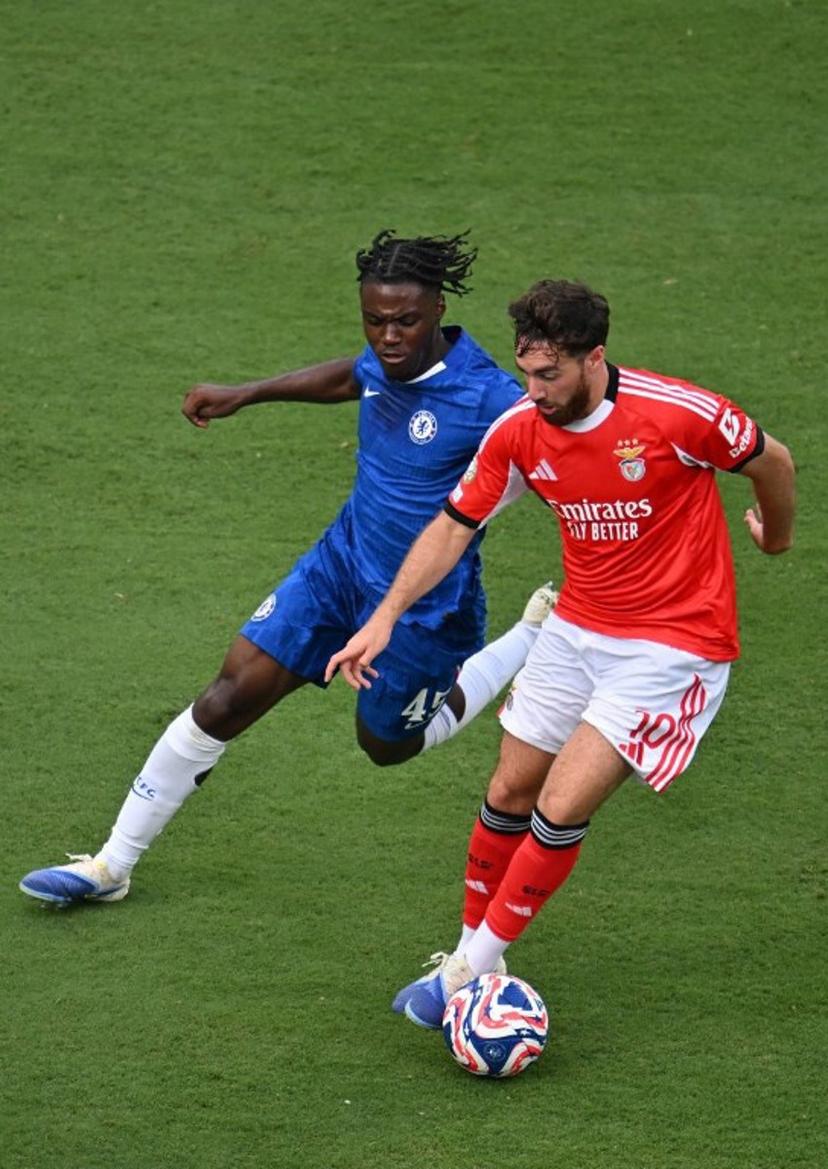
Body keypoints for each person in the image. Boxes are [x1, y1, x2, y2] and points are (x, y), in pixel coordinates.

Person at [19, 231, 558, 907]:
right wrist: (246, 393)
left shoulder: (490, 397)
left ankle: (526, 639)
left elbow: (559, 468)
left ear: (438, 308)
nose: (388, 336)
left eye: (405, 321)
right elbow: (352, 373)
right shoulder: (387, 360)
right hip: (339, 566)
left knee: (386, 744)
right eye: (375, 320)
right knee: (228, 693)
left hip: (427, 610)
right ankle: (111, 864)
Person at [324, 277, 796, 1028]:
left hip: (673, 646)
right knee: (509, 790)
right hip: (577, 629)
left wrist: (775, 534)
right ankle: (478, 955)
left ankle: (459, 975)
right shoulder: (519, 429)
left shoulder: (678, 415)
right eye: (526, 370)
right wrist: (384, 617)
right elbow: (454, 525)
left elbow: (773, 459)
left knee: (559, 804)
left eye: (550, 374)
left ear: (594, 358)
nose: (534, 389)